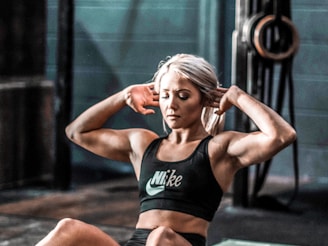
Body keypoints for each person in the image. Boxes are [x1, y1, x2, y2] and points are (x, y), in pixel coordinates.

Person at [36, 54, 296, 246]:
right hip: (135, 243)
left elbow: (282, 135)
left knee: (160, 236)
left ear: (205, 99)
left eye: (183, 96)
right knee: (68, 228)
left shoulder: (219, 149)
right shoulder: (144, 144)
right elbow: (76, 132)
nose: (172, 105)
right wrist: (123, 96)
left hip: (176, 244)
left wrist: (239, 97)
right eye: (166, 95)